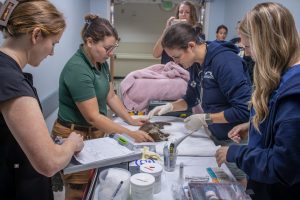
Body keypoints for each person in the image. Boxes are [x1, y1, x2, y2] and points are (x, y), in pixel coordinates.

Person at [52, 14, 154, 199]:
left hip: (94, 132)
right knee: (78, 191)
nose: (111, 53)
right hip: (74, 134)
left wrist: (131, 119)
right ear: (89, 42)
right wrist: (129, 133)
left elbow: (110, 95)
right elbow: (93, 116)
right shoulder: (78, 68)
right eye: (107, 48)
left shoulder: (100, 63)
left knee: (95, 183)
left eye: (113, 48)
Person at [0, 1, 84, 200]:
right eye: (53, 43)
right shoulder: (10, 81)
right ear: (36, 35)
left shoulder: (7, 71)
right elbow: (49, 163)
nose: (53, 52)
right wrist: (72, 142)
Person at [215, 2, 300, 199]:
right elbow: (279, 121)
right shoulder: (283, 75)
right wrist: (255, 125)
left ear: (266, 43)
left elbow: (283, 166)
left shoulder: (295, 94)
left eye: (247, 46)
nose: (248, 54)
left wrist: (236, 153)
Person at [148, 22, 251, 182]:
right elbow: (190, 98)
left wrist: (205, 118)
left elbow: (244, 110)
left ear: (190, 46)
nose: (175, 62)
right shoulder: (196, 64)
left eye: (176, 57)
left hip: (235, 137)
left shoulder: (225, 62)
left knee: (237, 184)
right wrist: (169, 107)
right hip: (215, 135)